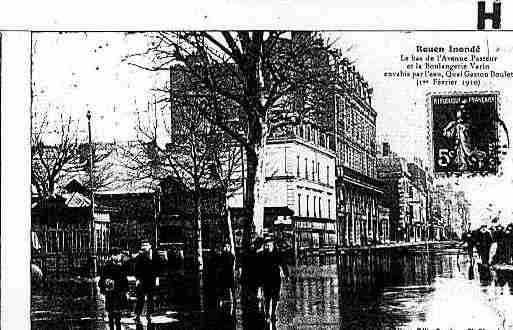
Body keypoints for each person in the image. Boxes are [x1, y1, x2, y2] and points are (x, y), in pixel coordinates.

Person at [133, 239, 163, 322]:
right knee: (140, 298)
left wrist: (157, 278)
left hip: (152, 279)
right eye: (143, 245)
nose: (144, 247)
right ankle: (138, 315)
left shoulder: (155, 254)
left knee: (150, 297)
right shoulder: (140, 255)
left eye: (146, 245)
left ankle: (149, 315)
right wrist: (137, 279)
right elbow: (136, 268)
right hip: (142, 279)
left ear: (150, 246)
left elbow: (159, 267)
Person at [99, 247, 129, 330]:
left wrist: (125, 290)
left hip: (119, 292)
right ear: (112, 256)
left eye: (118, 255)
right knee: (111, 314)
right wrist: (105, 284)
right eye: (115, 255)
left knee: (118, 314)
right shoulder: (107, 266)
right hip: (110, 293)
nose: (117, 257)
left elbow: (124, 279)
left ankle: (118, 326)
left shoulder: (122, 266)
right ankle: (111, 327)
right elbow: (102, 280)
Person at [260, 236, 288, 322]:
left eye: (270, 245)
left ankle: (273, 313)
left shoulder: (278, 253)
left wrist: (286, 275)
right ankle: (267, 313)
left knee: (275, 297)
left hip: (276, 279)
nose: (268, 247)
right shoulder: (263, 254)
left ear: (273, 245)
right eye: (267, 245)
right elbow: (259, 268)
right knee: (267, 297)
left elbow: (283, 264)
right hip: (266, 279)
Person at [443, 104, 474, 171]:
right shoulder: (456, 125)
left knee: (465, 151)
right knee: (460, 152)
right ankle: (463, 164)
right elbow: (451, 134)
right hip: (459, 142)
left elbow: (467, 134)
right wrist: (446, 131)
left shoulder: (466, 125)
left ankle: (468, 162)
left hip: (464, 142)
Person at [216, 242, 236, 309]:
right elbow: (220, 264)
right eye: (226, 247)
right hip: (224, 274)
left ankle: (234, 299)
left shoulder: (231, 255)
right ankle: (221, 300)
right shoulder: (223, 255)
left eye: (228, 247)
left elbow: (232, 265)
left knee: (232, 288)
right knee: (222, 288)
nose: (227, 248)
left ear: (230, 248)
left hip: (230, 274)